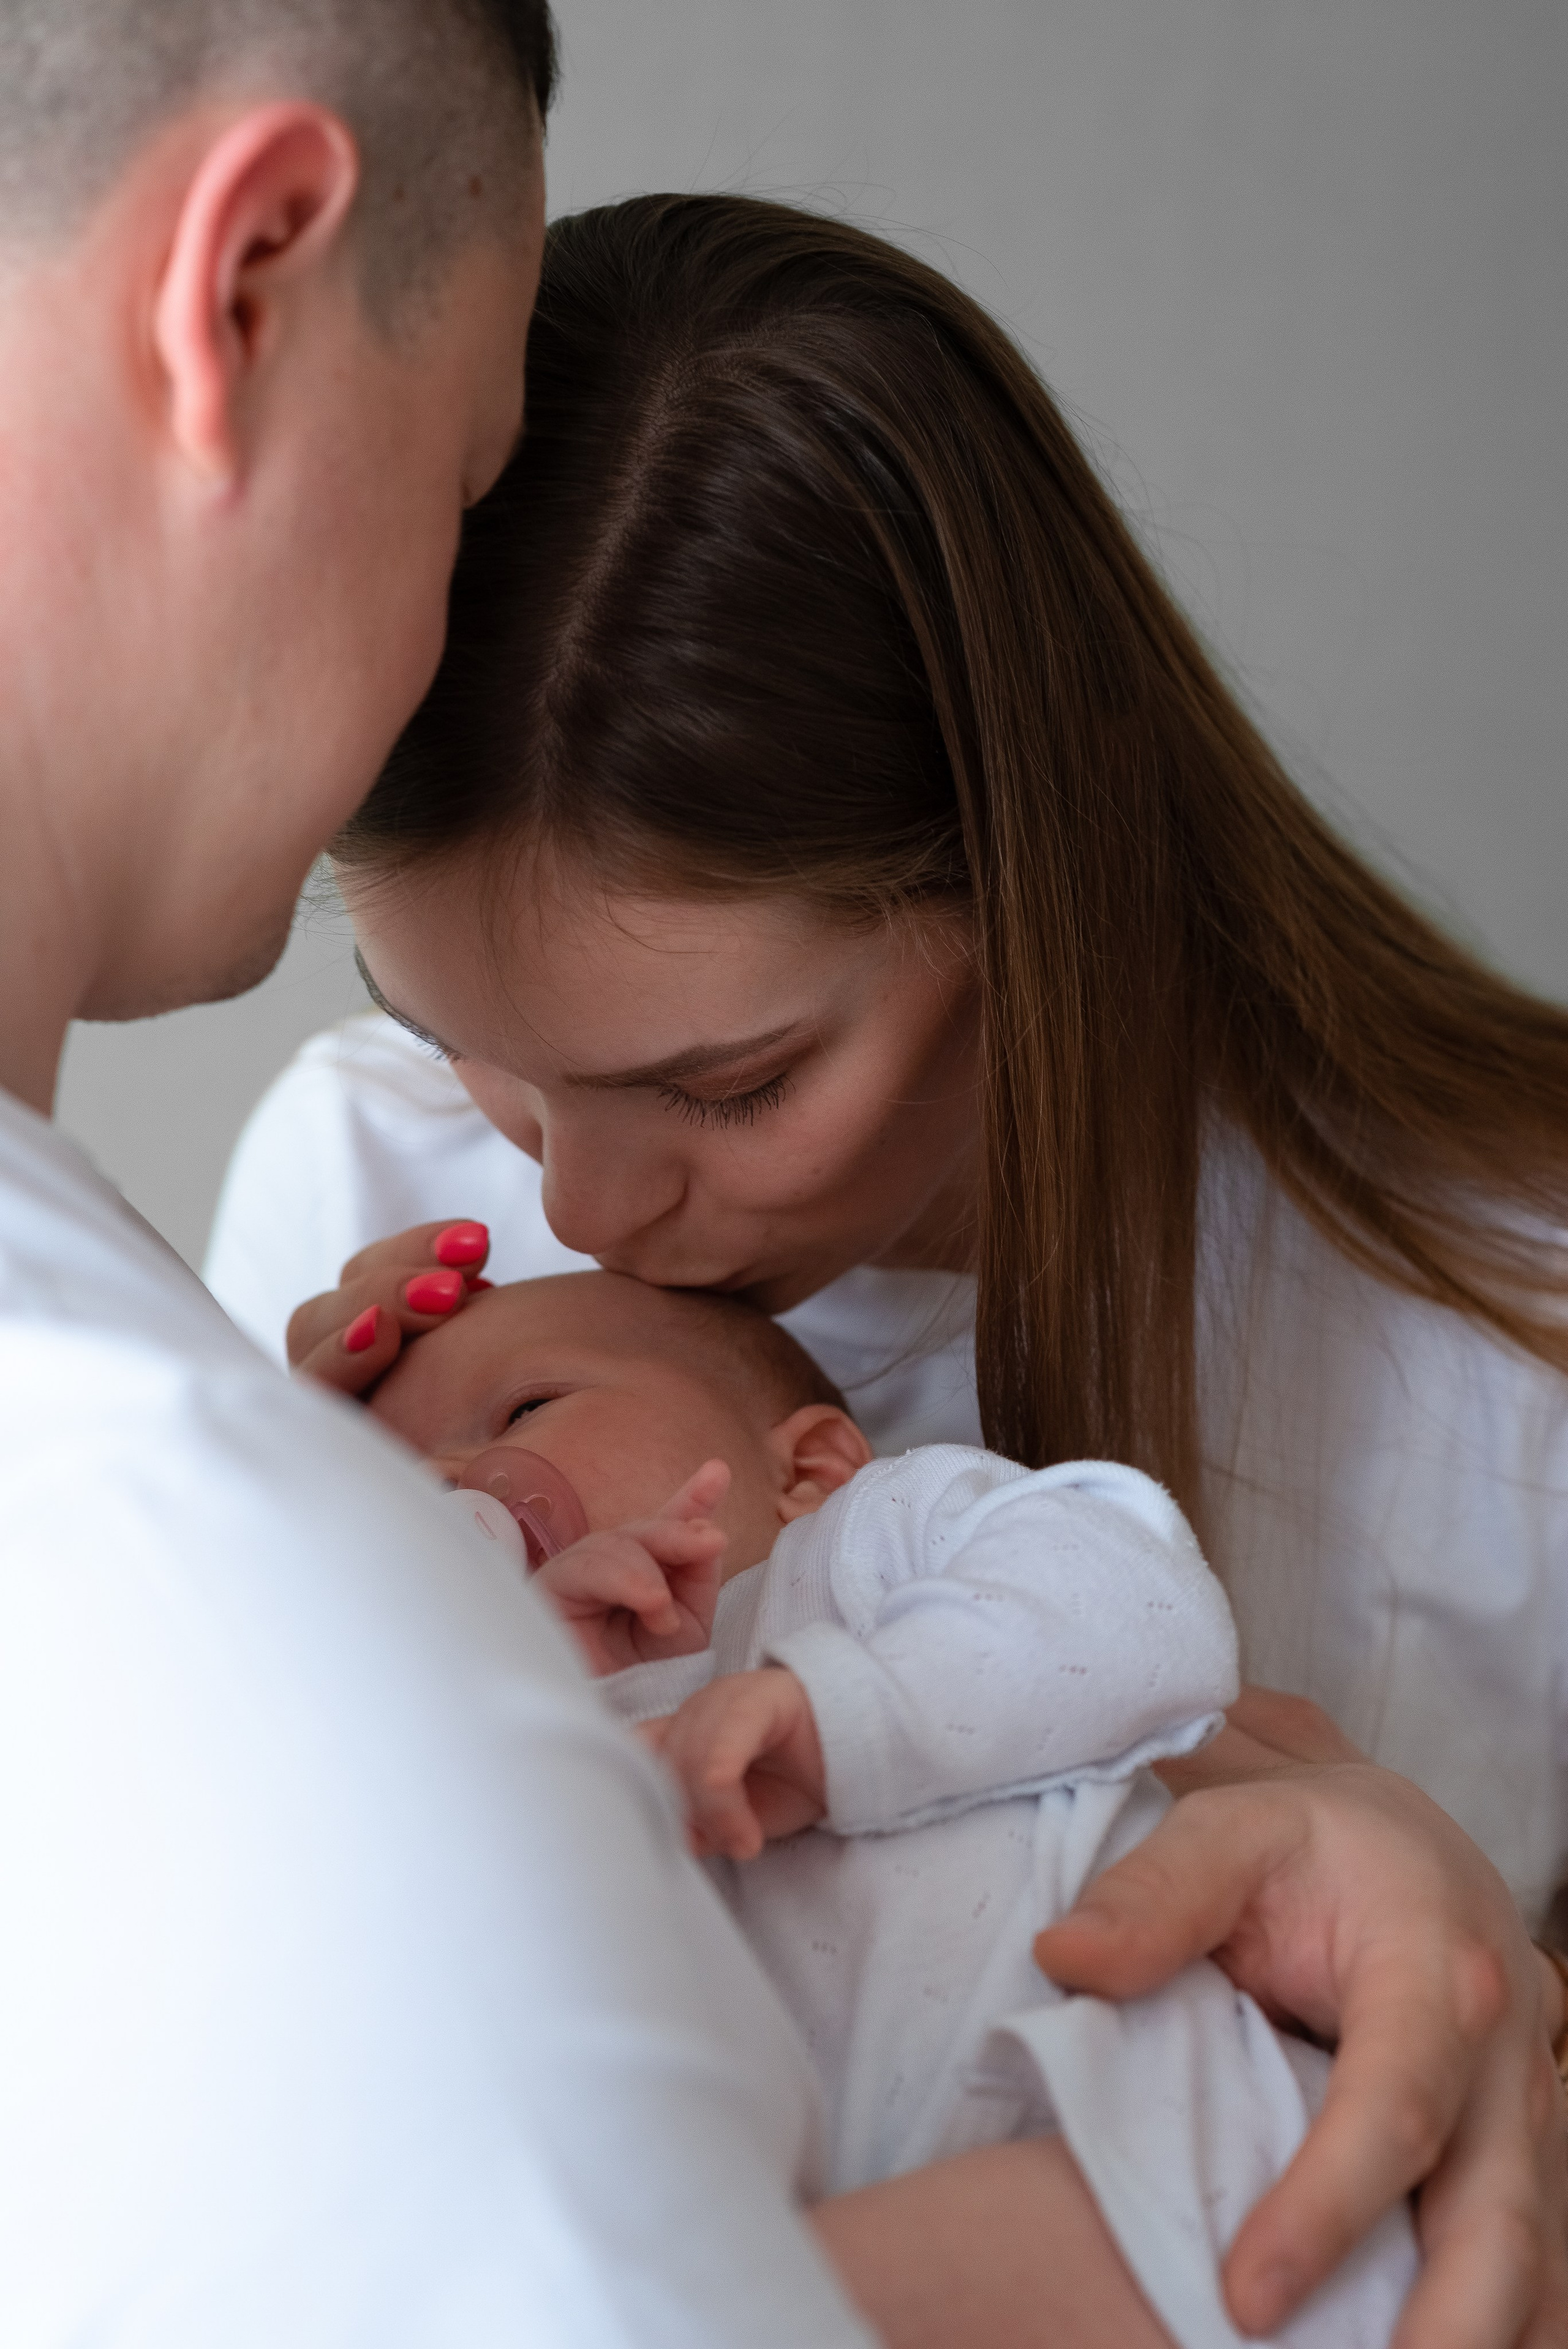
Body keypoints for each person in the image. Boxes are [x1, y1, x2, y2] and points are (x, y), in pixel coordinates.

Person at [213, 192, 1568, 2345]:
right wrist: (260, 1575)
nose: (582, 1208)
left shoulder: (1501, 1336)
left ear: (1030, 880)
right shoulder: (368, 1181)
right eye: (465, 1034)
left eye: (732, 1083)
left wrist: (1500, 1991)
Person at [0, 17, 1083, 2344]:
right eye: (469, 472)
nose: (581, 1212)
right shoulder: (186, 1526)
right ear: (246, 283)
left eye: (733, 1078)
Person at [369, 1262, 1422, 2347]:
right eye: (391, 1489)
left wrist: (839, 1711)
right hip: (874, 2196)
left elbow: (1145, 1618)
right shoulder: (530, 1738)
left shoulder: (866, 1550)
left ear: (807, 1468)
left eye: (525, 1410)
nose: (446, 1482)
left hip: (1157, 2140)